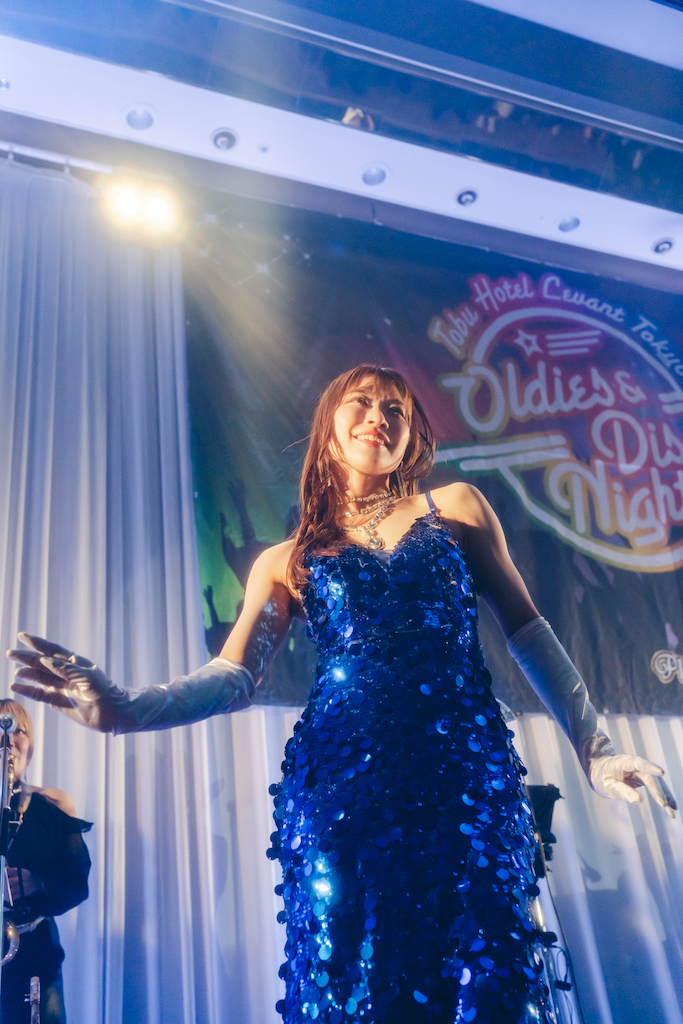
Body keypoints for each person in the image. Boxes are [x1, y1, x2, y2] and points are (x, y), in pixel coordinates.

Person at [7, 364, 675, 1024]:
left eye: (396, 410)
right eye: (362, 403)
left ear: (412, 438)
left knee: (491, 971)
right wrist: (126, 709)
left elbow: (528, 633)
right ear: (328, 426)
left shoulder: (458, 508)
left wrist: (595, 749)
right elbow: (235, 676)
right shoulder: (286, 559)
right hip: (342, 791)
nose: (378, 418)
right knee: (358, 980)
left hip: (467, 781)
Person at [0, 699, 91, 1024]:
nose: (10, 740)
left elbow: (76, 883)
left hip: (34, 953)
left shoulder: (51, 802)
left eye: (19, 731)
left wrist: (36, 880)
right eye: (2, 729)